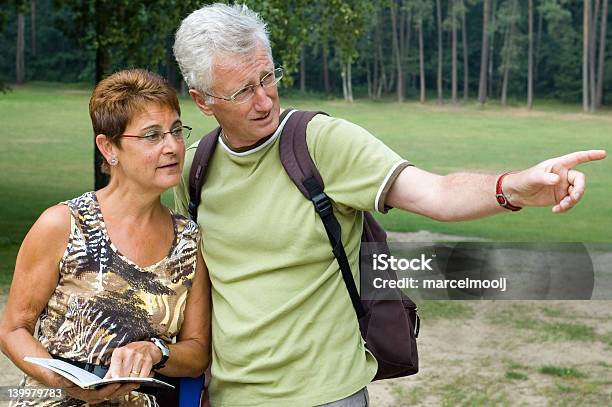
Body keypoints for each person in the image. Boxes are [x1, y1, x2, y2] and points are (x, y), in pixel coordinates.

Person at [172, 4, 606, 406]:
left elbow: (435, 194)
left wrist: (510, 188)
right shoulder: (195, 170)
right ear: (203, 101)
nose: (265, 99)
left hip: (326, 393)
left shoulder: (320, 142)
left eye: (267, 77)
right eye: (244, 90)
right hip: (230, 397)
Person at [0, 69, 211, 406]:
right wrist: (59, 380)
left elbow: (198, 350)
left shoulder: (190, 242)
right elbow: (13, 329)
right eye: (152, 136)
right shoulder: (62, 224)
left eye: (175, 131)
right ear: (108, 147)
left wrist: (156, 351)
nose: (172, 146)